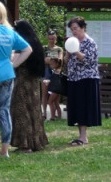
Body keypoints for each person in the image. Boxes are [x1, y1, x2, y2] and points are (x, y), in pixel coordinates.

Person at [0, 2, 32, 159]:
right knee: (4, 111)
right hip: (8, 74)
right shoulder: (10, 31)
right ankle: (5, 150)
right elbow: (28, 49)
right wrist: (13, 64)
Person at [9, 19, 49, 153]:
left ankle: (25, 145)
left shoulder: (23, 44)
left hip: (22, 81)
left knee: (21, 111)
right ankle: (37, 142)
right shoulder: (36, 43)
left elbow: (15, 61)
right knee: (35, 111)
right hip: (34, 82)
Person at [65, 16, 101, 146]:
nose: (74, 32)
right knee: (76, 107)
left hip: (86, 79)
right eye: (72, 29)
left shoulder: (90, 42)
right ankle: (80, 135)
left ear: (83, 28)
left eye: (76, 28)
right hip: (74, 78)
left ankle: (83, 137)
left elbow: (89, 61)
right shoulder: (72, 42)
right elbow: (66, 61)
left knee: (83, 107)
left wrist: (76, 51)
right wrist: (68, 54)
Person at [43, 29, 64, 121]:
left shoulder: (59, 49)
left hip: (56, 73)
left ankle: (56, 115)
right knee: (44, 93)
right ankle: (44, 113)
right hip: (46, 72)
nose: (51, 40)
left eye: (53, 39)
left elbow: (60, 61)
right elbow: (43, 60)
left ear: (56, 38)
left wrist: (50, 60)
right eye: (50, 39)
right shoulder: (44, 48)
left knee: (55, 97)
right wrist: (53, 60)